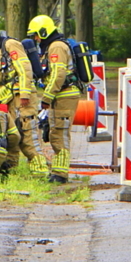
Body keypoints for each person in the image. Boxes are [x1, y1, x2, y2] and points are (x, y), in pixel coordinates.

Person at [0, 21, 49, 176]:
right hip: (10, 100)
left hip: (22, 98)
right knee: (13, 136)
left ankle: (41, 172)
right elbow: (3, 78)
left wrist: (25, 94)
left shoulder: (10, 45)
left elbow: (25, 69)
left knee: (28, 137)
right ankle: (9, 171)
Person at [27, 15, 81, 183]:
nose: (35, 39)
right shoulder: (53, 46)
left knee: (60, 133)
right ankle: (58, 171)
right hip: (61, 94)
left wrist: (46, 99)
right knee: (55, 132)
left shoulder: (56, 47)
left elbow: (58, 75)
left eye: (36, 35)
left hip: (64, 95)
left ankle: (61, 174)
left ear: (44, 32)